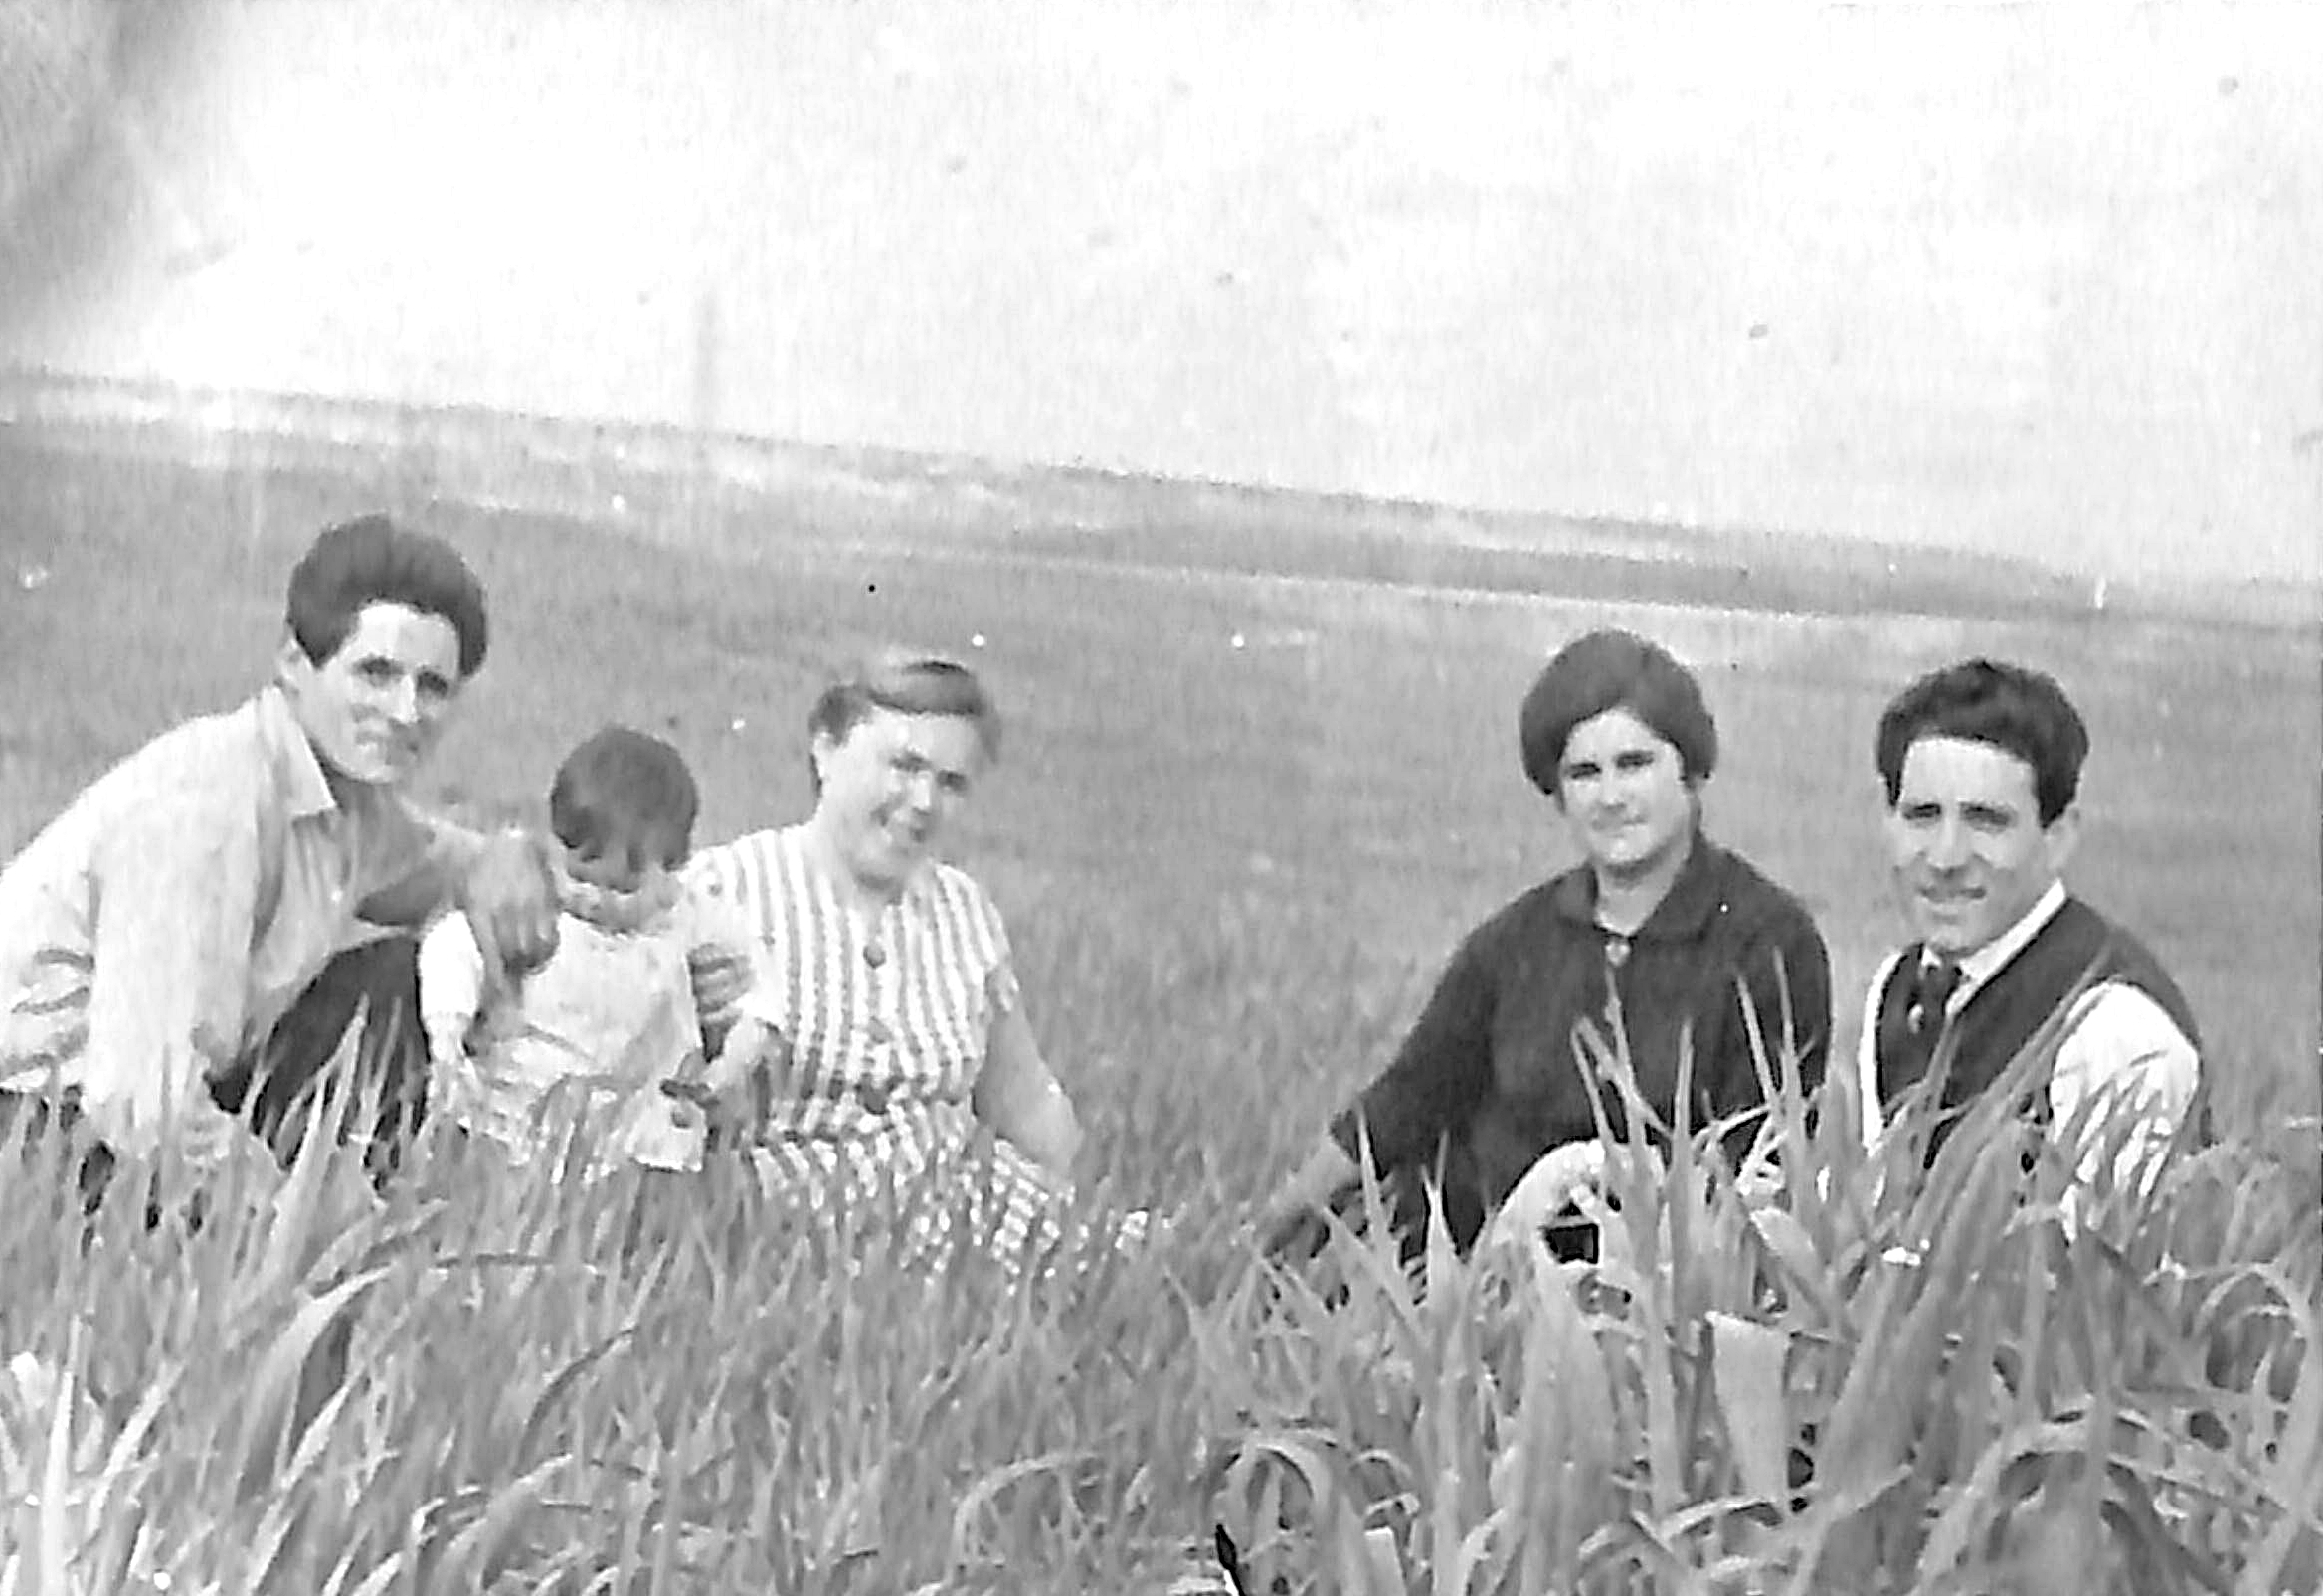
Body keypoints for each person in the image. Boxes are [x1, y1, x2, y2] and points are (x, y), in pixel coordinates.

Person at [0, 513, 567, 1213]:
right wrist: (304, 1215)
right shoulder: (209, 806)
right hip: (39, 1118)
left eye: (433, 687)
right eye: (375, 673)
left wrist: (511, 853)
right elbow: (141, 1099)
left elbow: (452, 867)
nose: (404, 711)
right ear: (296, 666)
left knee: (393, 985)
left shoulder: (348, 801)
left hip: (131, 1112)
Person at [1256, 629, 1832, 1265]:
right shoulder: (1513, 943)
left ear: (1691, 771)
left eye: (1635, 764)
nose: (1611, 797)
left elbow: (1757, 1164)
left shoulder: (1769, 943)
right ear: (1557, 793)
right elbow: (1403, 1102)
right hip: (1471, 1271)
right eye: (1584, 773)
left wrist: (1571, 1173)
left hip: (1654, 1288)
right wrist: (1264, 1236)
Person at [686, 651, 1149, 1275]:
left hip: (971, 1208)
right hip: (795, 1230)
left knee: (1151, 1274)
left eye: (952, 783)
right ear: (826, 749)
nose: (925, 801)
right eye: (904, 765)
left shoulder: (963, 909)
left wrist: (1081, 1203)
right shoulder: (720, 891)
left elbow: (1023, 1098)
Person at [1856, 657, 2203, 1202]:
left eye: (1986, 821)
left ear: (2059, 838)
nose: (1946, 858)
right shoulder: (1896, 985)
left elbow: (2101, 1269)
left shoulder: (2114, 1027)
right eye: (1922, 816)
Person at [419, 726, 772, 1179]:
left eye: (624, 888)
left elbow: (756, 984)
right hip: (513, 1122)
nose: (596, 899)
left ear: (674, 870)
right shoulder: (539, 912)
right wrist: (447, 1039)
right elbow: (453, 950)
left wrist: (733, 1061)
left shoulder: (687, 920)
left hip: (636, 1139)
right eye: (580, 878)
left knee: (639, 1213)